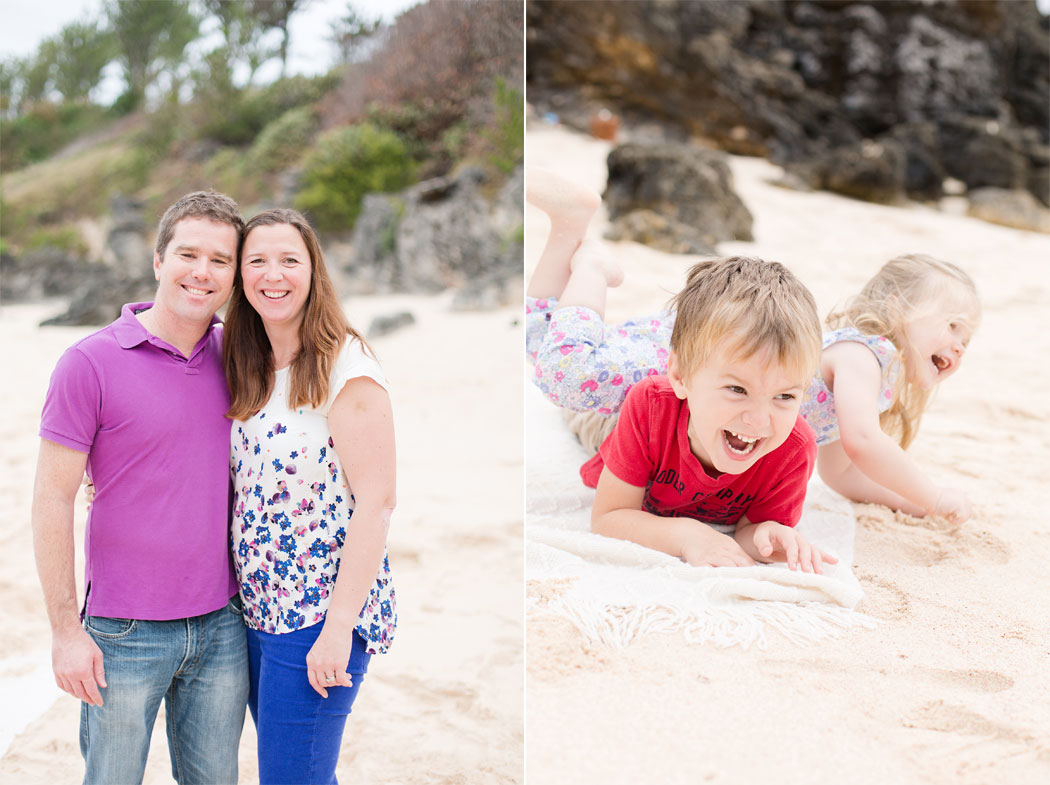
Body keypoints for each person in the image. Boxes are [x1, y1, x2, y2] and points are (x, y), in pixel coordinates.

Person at [525, 168, 979, 524]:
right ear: (898, 305)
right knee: (565, 371)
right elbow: (864, 443)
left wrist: (908, 503)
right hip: (700, 359)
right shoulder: (865, 356)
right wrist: (933, 496)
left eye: (968, 339)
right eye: (954, 326)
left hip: (714, 387)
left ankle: (568, 227)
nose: (959, 347)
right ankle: (593, 271)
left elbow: (841, 471)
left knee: (546, 352)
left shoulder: (875, 379)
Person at [32, 191, 249, 784]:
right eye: (187, 254)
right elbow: (52, 498)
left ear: (234, 274)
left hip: (223, 624)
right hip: (120, 633)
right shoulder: (89, 363)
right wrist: (64, 632)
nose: (202, 272)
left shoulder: (240, 358)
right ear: (158, 261)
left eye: (220, 260)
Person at [223, 208, 397, 784]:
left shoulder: (346, 365)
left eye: (289, 260)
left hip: (320, 614)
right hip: (256, 606)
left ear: (313, 270)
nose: (274, 275)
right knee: (303, 770)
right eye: (258, 261)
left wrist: (338, 627)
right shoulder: (247, 362)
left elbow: (377, 502)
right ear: (240, 276)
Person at [578, 254, 838, 571]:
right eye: (737, 390)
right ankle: (590, 271)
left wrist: (767, 534)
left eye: (784, 396)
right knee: (574, 381)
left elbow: (746, 532)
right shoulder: (648, 405)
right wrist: (688, 535)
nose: (758, 420)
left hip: (690, 392)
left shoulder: (793, 449)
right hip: (613, 423)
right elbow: (609, 517)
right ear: (680, 376)